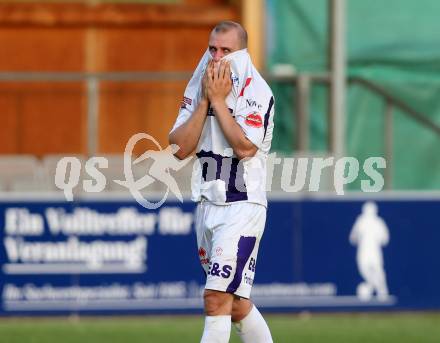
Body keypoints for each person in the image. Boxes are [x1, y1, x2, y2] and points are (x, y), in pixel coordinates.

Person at [169, 21, 275, 343]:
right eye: (212, 48)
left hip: (242, 205)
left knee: (215, 299)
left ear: (241, 52)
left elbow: (245, 148)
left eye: (225, 50)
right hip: (207, 204)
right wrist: (204, 101)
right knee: (236, 305)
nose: (216, 57)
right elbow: (178, 148)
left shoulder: (257, 91)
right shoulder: (199, 83)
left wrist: (218, 101)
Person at [349, 201, 390, 301]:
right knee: (365, 271)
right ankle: (373, 289)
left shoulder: (378, 222)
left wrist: (377, 239)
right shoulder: (361, 221)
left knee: (378, 270)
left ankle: (381, 292)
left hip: (374, 251)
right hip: (363, 251)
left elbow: (385, 239)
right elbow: (352, 238)